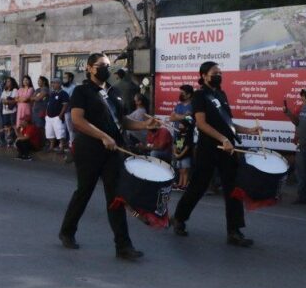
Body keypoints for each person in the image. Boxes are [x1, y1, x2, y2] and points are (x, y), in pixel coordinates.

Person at [59, 53, 161, 260]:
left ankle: (123, 246)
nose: (106, 69)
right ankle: (67, 231)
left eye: (108, 65)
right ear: (89, 68)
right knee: (84, 192)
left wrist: (144, 125)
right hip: (89, 150)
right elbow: (78, 121)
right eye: (101, 66)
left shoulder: (114, 92)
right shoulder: (82, 91)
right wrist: (103, 136)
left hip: (113, 150)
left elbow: (121, 121)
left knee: (116, 197)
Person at [172, 61, 262, 246]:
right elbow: (201, 124)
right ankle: (179, 218)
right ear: (204, 75)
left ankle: (234, 231)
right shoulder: (199, 95)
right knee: (198, 186)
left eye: (220, 72)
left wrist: (249, 130)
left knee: (233, 189)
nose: (218, 74)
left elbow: (228, 124)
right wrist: (223, 139)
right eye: (215, 72)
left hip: (227, 149)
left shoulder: (221, 94)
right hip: (208, 147)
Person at [44, 78, 70, 153]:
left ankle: (61, 147)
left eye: (54, 83)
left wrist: (60, 115)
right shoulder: (52, 93)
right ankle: (51, 146)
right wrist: (46, 114)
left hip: (57, 117)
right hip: (49, 117)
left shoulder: (64, 93)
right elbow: (48, 104)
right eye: (52, 83)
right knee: (49, 132)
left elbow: (65, 105)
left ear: (59, 84)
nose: (53, 85)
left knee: (60, 133)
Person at [173, 116, 194, 190]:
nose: (179, 125)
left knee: (185, 170)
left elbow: (187, 147)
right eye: (179, 124)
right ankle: (179, 184)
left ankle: (185, 184)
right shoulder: (178, 134)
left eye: (181, 124)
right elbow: (175, 144)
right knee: (180, 170)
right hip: (178, 154)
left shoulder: (189, 134)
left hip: (186, 155)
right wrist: (175, 153)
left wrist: (181, 155)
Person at [0, 77, 19, 146]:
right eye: (6, 81)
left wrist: (7, 101)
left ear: (12, 82)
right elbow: (2, 99)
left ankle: (15, 140)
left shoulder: (15, 90)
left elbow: (16, 100)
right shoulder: (4, 90)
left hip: (12, 111)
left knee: (13, 125)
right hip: (5, 111)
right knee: (7, 126)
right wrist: (4, 101)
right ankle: (8, 141)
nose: (7, 83)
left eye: (9, 81)